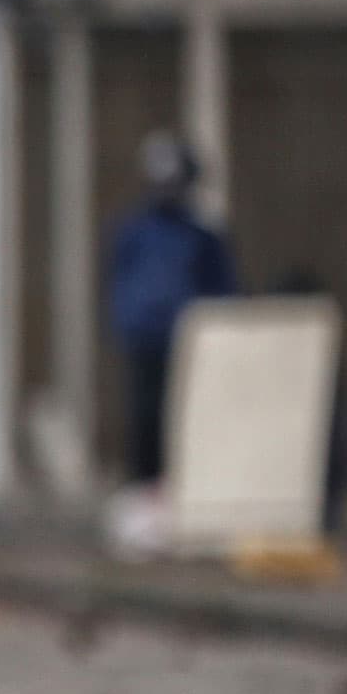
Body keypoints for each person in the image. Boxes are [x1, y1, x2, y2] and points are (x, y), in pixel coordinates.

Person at [106, 131, 236, 486]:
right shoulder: (135, 231)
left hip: (192, 343)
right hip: (145, 341)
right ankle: (145, 489)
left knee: (188, 420)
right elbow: (119, 279)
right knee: (146, 419)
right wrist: (126, 323)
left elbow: (224, 289)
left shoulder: (202, 236)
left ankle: (186, 489)